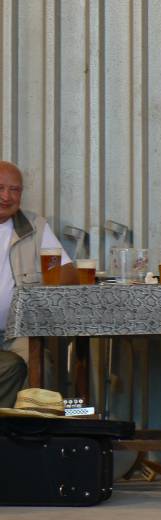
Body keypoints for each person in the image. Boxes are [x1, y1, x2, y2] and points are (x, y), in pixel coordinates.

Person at [0, 161, 74, 407]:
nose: (6, 197)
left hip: (17, 332)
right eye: (0, 188)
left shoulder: (34, 226)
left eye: (14, 190)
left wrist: (43, 298)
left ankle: (34, 430)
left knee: (38, 366)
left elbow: (66, 272)